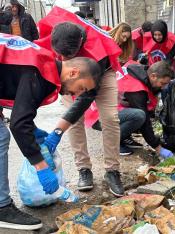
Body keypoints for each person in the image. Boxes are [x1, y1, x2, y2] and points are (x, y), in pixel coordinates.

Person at [0, 33, 100, 230]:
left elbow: (22, 115)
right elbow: (19, 125)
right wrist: (41, 167)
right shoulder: (40, 73)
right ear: (73, 73)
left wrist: (33, 131)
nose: (77, 95)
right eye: (81, 88)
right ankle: (2, 207)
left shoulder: (44, 63)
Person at [36, 7, 124, 196]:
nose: (65, 60)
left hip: (103, 73)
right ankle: (84, 169)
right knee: (74, 122)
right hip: (70, 77)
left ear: (81, 44)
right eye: (62, 56)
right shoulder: (55, 32)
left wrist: (58, 131)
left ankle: (112, 170)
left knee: (110, 118)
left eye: (70, 56)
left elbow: (87, 96)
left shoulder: (96, 51)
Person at [117, 61, 174, 158]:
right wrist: (157, 147)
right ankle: (113, 141)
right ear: (153, 76)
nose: (163, 87)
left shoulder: (140, 71)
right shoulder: (136, 89)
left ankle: (124, 136)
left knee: (139, 114)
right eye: (162, 83)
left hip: (114, 108)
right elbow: (145, 122)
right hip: (100, 116)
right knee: (140, 116)